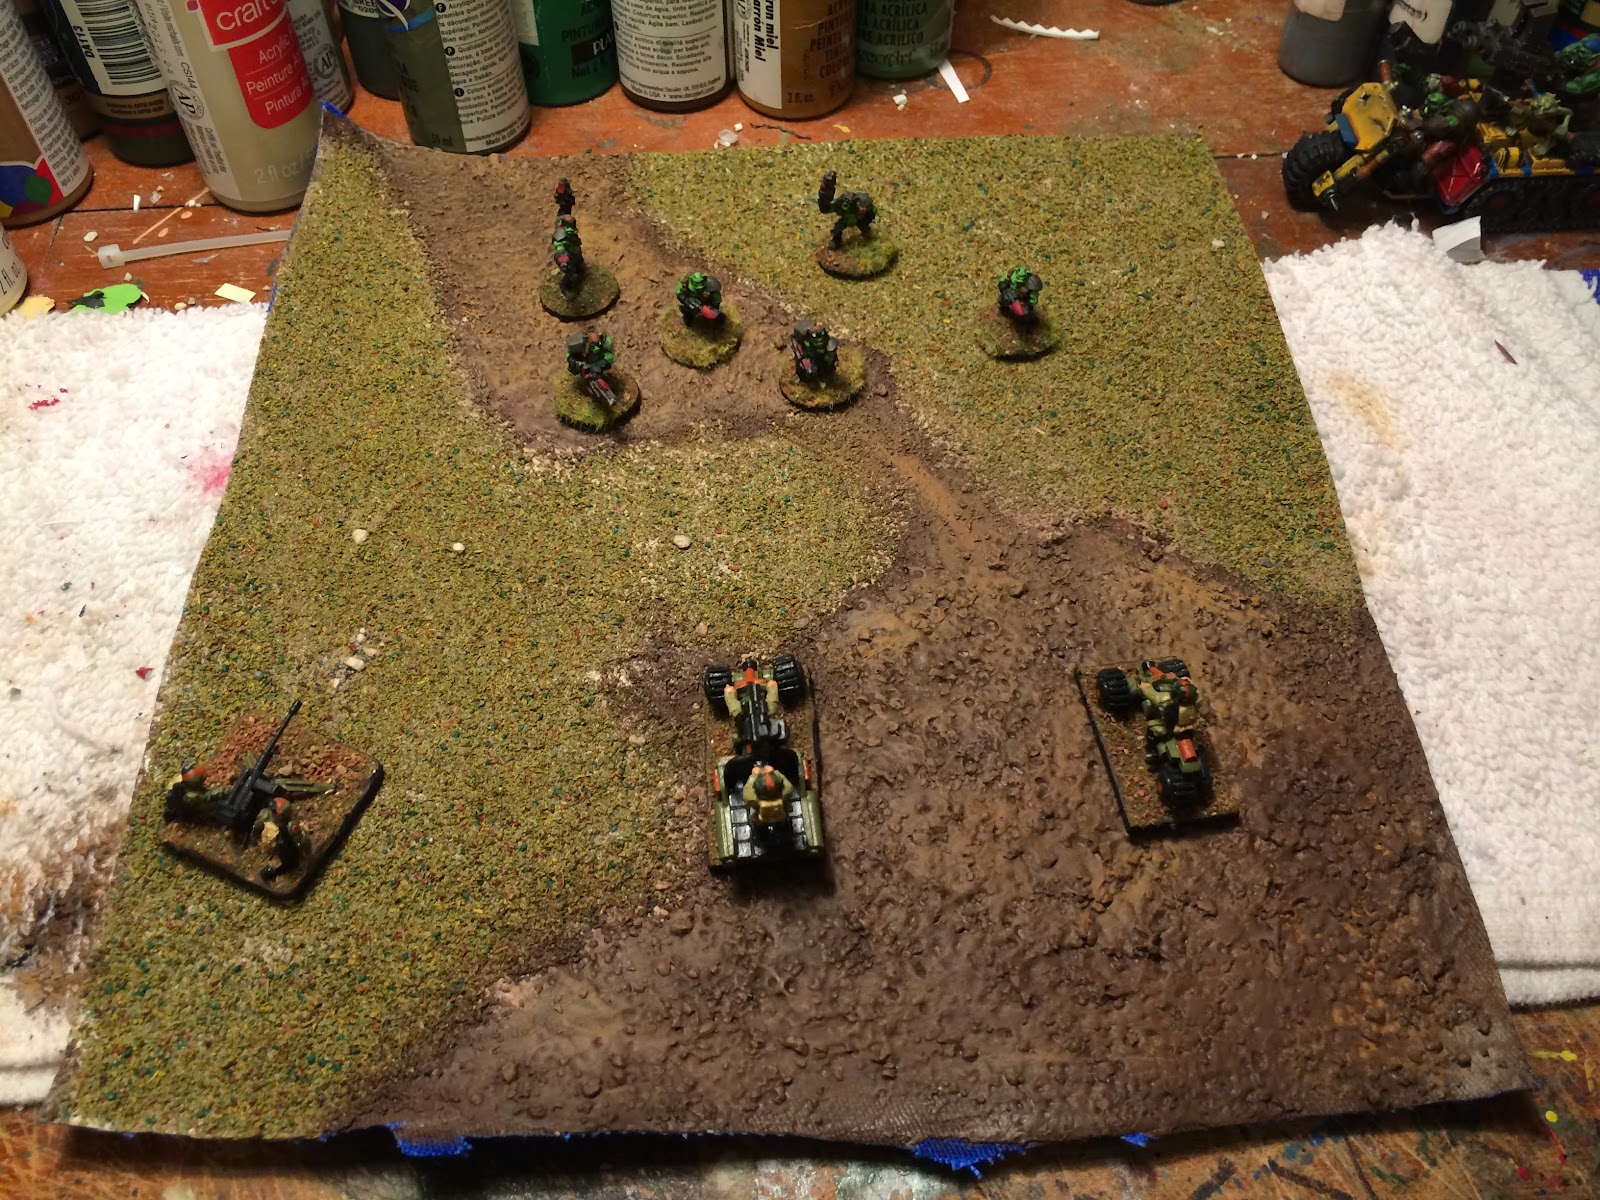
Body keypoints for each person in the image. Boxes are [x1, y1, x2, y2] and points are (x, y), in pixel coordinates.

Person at [252, 794, 310, 882]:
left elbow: (301, 839)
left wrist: (300, 849)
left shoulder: (290, 826)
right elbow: (257, 826)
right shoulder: (268, 819)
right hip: (274, 848)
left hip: (286, 852)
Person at [817, 170, 877, 249]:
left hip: (858, 219)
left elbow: (872, 210)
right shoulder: (840, 203)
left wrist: (864, 216)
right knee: (837, 229)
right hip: (846, 220)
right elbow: (826, 208)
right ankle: (837, 242)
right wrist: (825, 193)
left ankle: (869, 238)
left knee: (864, 228)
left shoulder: (861, 203)